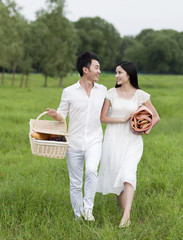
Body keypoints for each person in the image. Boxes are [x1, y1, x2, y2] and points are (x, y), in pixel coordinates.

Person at [96, 61, 160, 228]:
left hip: (132, 141)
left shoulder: (141, 95)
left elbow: (156, 117)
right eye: (116, 73)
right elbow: (103, 118)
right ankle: (127, 214)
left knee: (128, 173)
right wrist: (123, 119)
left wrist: (144, 130)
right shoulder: (111, 93)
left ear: (129, 74)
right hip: (113, 140)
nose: (116, 76)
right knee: (117, 178)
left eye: (119, 73)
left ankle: (126, 216)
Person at [46, 51, 107, 221]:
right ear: (85, 69)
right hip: (73, 143)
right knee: (75, 183)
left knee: (91, 170)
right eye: (96, 67)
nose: (99, 71)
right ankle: (78, 215)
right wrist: (55, 114)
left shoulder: (103, 90)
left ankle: (88, 209)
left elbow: (111, 108)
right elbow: (62, 114)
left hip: (95, 141)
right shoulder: (69, 91)